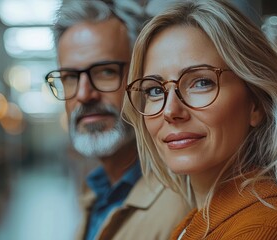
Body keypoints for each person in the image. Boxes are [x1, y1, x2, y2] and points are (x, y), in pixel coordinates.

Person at [123, 0, 277, 239]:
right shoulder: (195, 224)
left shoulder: (267, 230)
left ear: (256, 103)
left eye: (201, 82)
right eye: (154, 90)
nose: (170, 110)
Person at [45, 1, 188, 240]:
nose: (83, 94)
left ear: (146, 78)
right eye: (70, 77)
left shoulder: (182, 211)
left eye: (105, 71)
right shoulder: (96, 192)